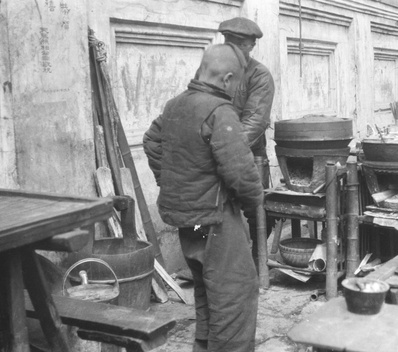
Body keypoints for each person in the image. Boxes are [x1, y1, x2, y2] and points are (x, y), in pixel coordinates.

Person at [143, 43, 264, 352]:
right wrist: (253, 209)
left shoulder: (175, 105)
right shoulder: (219, 111)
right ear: (226, 79)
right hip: (215, 224)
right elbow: (243, 174)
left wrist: (175, 185)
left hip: (193, 226)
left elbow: (152, 141)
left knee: (207, 289)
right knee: (234, 293)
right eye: (236, 83)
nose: (237, 90)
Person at [217, 17, 276, 262]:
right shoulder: (214, 71)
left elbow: (254, 122)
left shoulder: (259, 75)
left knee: (259, 210)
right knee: (212, 208)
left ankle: (256, 260)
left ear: (251, 46)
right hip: (217, 151)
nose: (232, 49)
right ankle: (216, 260)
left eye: (240, 44)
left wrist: (225, 150)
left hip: (250, 154)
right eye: (228, 43)